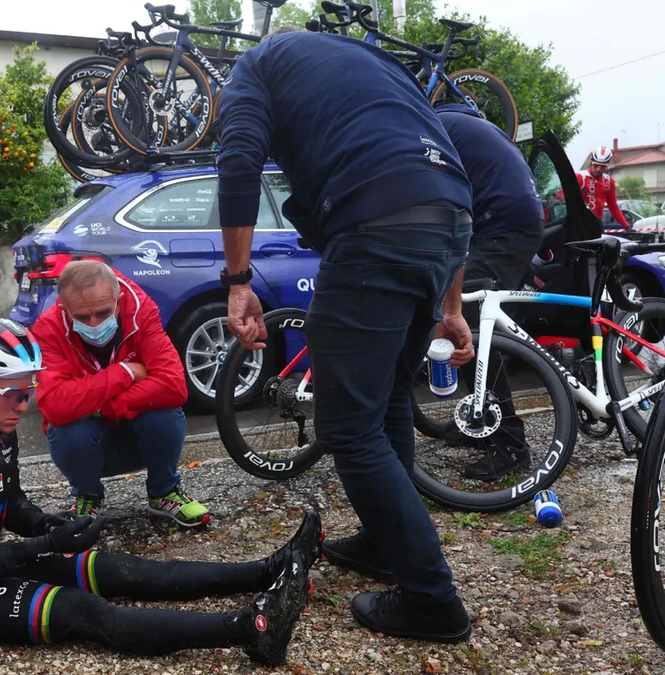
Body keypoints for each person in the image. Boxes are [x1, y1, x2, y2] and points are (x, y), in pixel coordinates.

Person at [217, 29, 473, 643]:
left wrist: (237, 280)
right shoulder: (371, 62)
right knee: (385, 402)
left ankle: (433, 601)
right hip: (449, 219)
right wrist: (450, 302)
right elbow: (441, 175)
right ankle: (389, 547)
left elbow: (239, 159)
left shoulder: (253, 68)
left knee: (347, 429)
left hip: (373, 224)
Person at [0, 319, 318, 665]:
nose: (24, 405)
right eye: (13, 393)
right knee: (83, 611)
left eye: (29, 390)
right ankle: (247, 629)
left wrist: (49, 524)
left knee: (117, 570)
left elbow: (8, 500)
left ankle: (268, 568)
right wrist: (45, 544)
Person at [29, 261, 210, 526]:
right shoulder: (48, 327)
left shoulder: (142, 309)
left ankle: (164, 491)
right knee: (65, 428)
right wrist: (125, 373)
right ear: (63, 308)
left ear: (119, 300)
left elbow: (173, 385)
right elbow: (54, 405)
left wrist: (102, 406)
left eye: (103, 313)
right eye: (81, 317)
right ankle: (87, 496)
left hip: (137, 431)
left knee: (166, 414)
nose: (93, 324)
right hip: (88, 441)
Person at [435, 104, 545, 480]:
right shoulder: (461, 125)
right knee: (469, 315)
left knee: (466, 316)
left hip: (500, 221)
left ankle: (510, 443)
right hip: (513, 214)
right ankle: (478, 414)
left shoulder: (430, 130)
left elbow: (452, 214)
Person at [578, 146, 629, 229]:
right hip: (580, 223)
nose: (598, 169)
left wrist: (626, 226)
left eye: (602, 167)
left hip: (597, 223)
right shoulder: (580, 177)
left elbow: (613, 206)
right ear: (591, 162)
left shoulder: (609, 181)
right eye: (595, 165)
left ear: (607, 166)